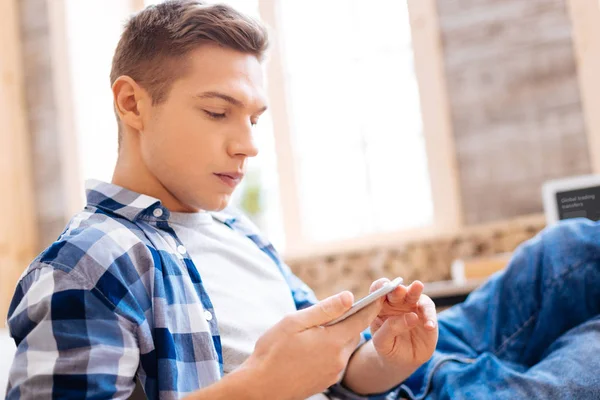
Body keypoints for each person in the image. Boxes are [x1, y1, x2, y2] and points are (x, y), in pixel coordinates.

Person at [5, 1, 600, 399]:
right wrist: (263, 384)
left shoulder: (236, 230)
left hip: (411, 376)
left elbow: (340, 373)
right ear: (132, 104)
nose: (246, 145)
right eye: (217, 112)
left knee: (573, 246)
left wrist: (386, 362)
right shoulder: (89, 262)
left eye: (255, 118)